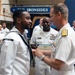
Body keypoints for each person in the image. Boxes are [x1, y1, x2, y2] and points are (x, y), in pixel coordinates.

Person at [33, 3, 75, 75]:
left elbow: (58, 64)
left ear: (59, 15)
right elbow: (57, 51)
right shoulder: (62, 32)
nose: (51, 20)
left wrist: (41, 56)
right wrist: (43, 52)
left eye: (51, 16)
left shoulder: (65, 36)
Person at [0, 10, 33, 75]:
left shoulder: (22, 35)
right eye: (27, 18)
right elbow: (5, 67)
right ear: (18, 20)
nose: (30, 21)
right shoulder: (11, 38)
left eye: (30, 18)